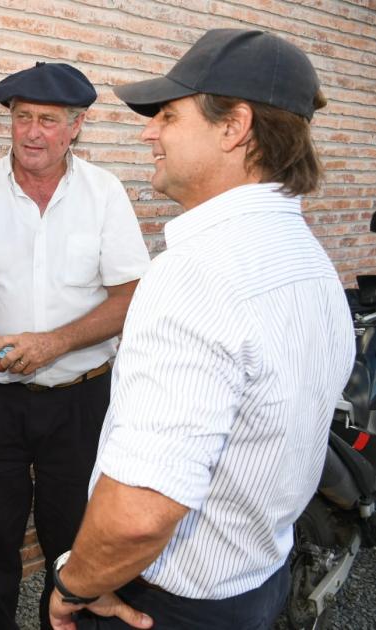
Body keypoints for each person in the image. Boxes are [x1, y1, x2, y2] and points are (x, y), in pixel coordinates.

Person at [48, 29, 356, 630]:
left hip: (167, 603)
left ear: (233, 126)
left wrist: (73, 585)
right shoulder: (308, 256)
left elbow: (139, 513)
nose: (148, 132)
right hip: (259, 580)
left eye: (167, 114)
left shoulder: (194, 274)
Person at [0, 62, 150, 629]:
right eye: (23, 118)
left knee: (71, 532)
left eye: (48, 120)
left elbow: (131, 295)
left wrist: (55, 343)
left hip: (80, 399)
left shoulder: (104, 193)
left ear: (76, 127)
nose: (33, 132)